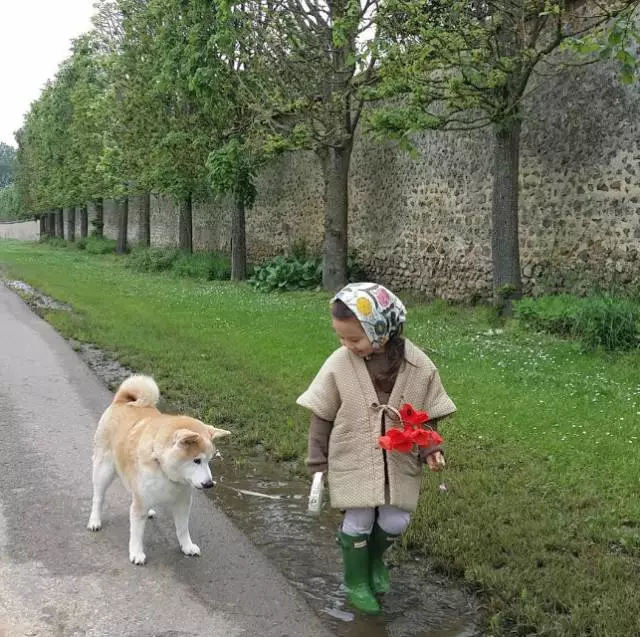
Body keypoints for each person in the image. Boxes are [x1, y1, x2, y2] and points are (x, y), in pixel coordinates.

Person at [297, 282, 456, 614]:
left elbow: (425, 416)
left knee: (396, 520)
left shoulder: (419, 366)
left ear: (382, 330)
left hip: (399, 461)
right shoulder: (339, 364)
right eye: (340, 337)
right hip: (353, 456)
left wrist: (430, 448)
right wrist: (317, 460)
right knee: (359, 519)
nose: (346, 345)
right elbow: (322, 415)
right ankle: (356, 579)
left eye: (354, 338)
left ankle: (372, 560)